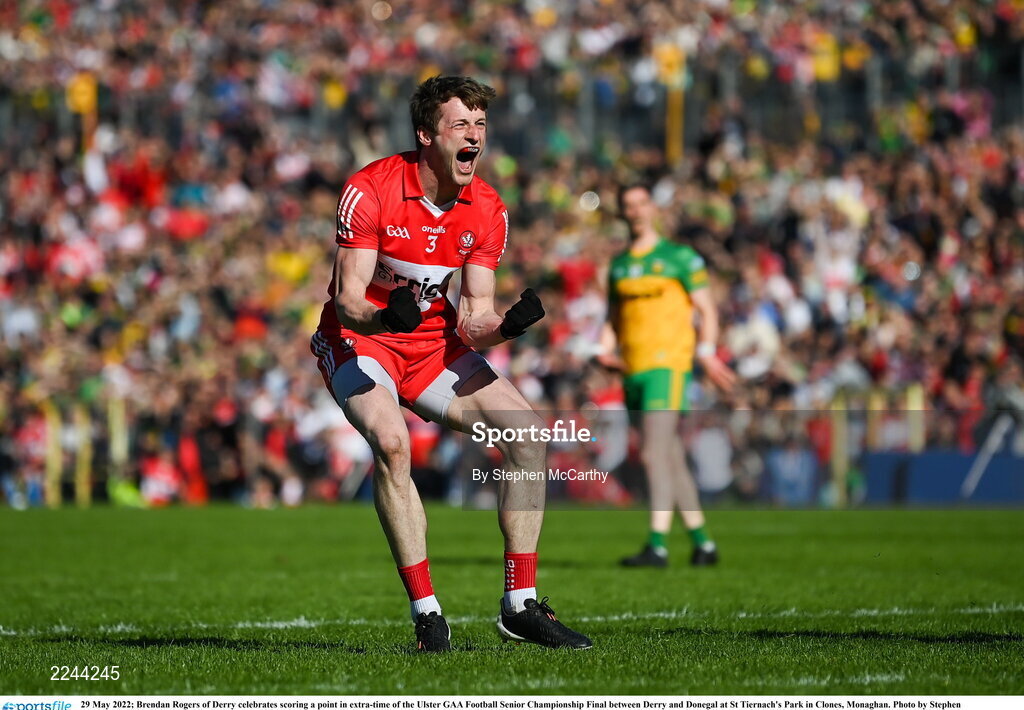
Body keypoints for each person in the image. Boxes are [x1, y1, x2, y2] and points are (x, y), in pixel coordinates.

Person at [310, 76, 591, 652]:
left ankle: (520, 604)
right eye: (461, 125)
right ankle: (428, 614)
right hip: (362, 342)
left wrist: (507, 326)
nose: (475, 137)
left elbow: (473, 321)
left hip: (434, 347)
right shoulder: (372, 190)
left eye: (481, 125)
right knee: (392, 443)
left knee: (528, 435)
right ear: (425, 135)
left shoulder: (486, 208)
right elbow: (349, 302)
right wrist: (390, 321)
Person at [599, 183, 736, 568]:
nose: (636, 210)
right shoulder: (620, 265)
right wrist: (603, 349)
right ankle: (703, 542)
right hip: (632, 369)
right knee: (669, 456)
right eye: (629, 204)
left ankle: (657, 545)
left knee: (652, 453)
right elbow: (613, 319)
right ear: (622, 213)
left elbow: (707, 310)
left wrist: (706, 353)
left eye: (642, 203)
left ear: (653, 208)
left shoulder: (680, 257)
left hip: (668, 365)